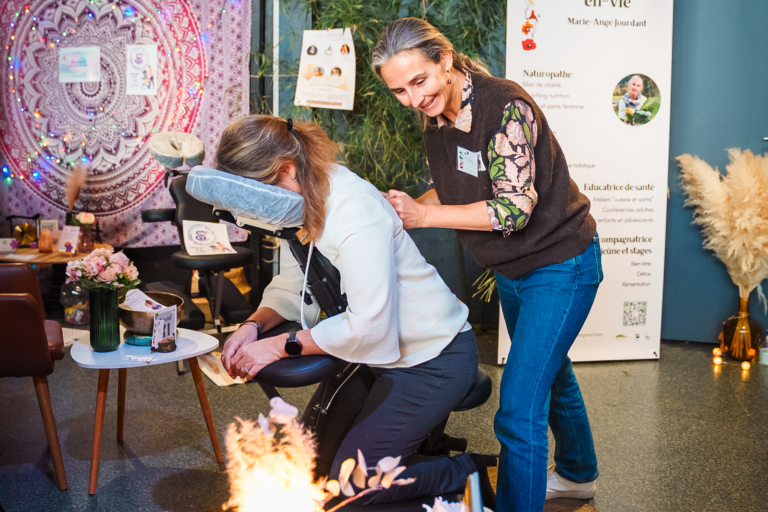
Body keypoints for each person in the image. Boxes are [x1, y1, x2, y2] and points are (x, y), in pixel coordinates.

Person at [372, 17, 603, 512]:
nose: (412, 99)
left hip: (560, 264)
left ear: (445, 60)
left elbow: (513, 208)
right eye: (399, 91)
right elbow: (459, 188)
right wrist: (401, 211)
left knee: (518, 410)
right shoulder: (437, 117)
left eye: (419, 81)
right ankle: (579, 476)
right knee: (552, 374)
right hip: (512, 270)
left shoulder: (505, 107)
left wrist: (424, 216)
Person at [216, 115, 495, 507]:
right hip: (372, 357)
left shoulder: (353, 210)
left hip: (432, 358)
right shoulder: (304, 196)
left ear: (287, 169)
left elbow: (369, 324)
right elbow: (297, 281)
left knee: (348, 491)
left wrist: (279, 345)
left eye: (259, 193)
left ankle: (465, 472)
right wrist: (252, 326)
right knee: (309, 473)